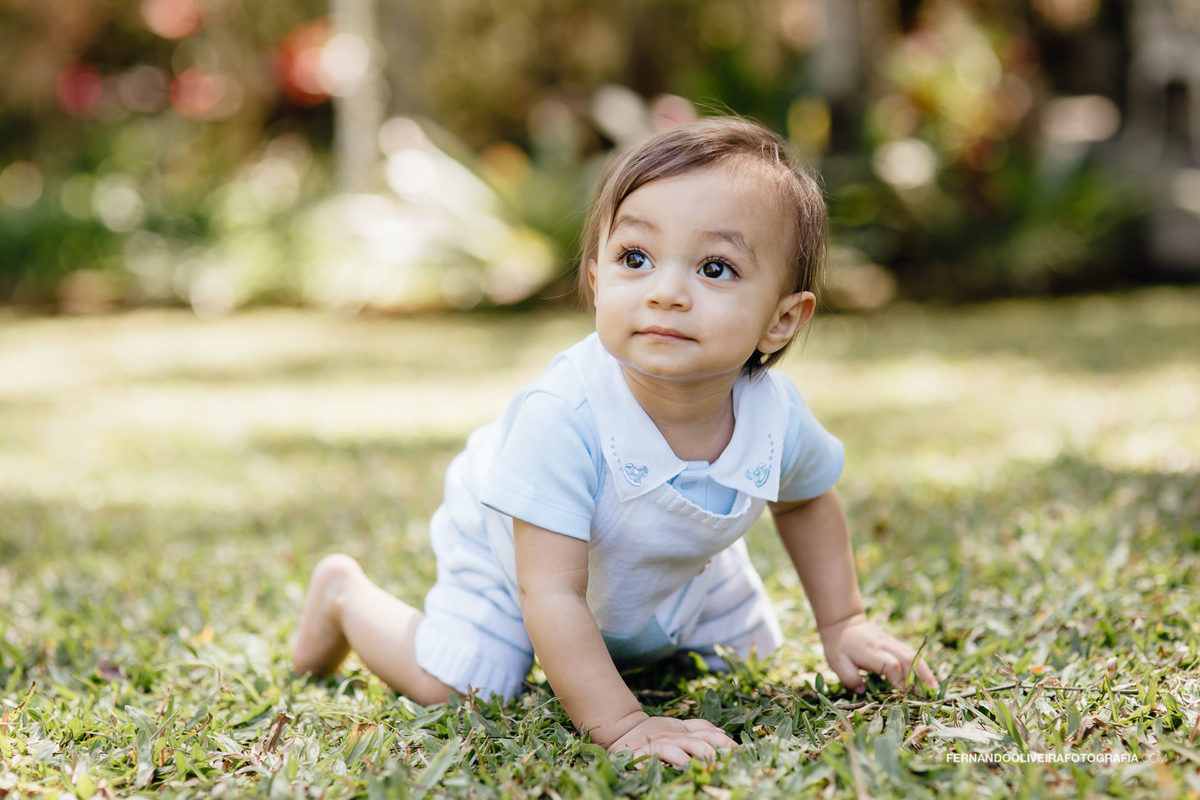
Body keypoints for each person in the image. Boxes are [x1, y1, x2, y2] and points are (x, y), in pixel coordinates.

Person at [292, 116, 938, 767]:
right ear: (599, 281)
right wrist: (624, 725)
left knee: (742, 664)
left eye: (716, 268)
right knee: (462, 689)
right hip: (517, 549)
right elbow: (550, 592)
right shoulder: (564, 417)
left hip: (662, 552)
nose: (665, 293)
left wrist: (843, 622)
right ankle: (345, 597)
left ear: (781, 320)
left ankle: (660, 617)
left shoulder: (775, 415)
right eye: (636, 259)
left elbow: (804, 501)